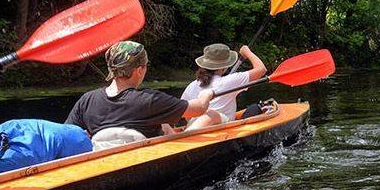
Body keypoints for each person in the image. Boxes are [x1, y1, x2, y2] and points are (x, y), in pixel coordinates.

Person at [66, 41, 214, 146]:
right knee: (212, 116)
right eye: (145, 65)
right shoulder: (149, 100)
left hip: (101, 161)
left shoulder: (87, 100)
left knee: (163, 123)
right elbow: (199, 109)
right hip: (147, 162)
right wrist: (206, 95)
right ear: (139, 70)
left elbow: (67, 134)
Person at [181, 43, 267, 130]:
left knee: (208, 115)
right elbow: (261, 69)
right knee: (212, 114)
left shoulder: (192, 85)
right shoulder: (231, 80)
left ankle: (190, 131)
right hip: (220, 127)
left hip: (194, 124)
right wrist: (247, 52)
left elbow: (185, 114)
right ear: (224, 67)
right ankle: (190, 132)